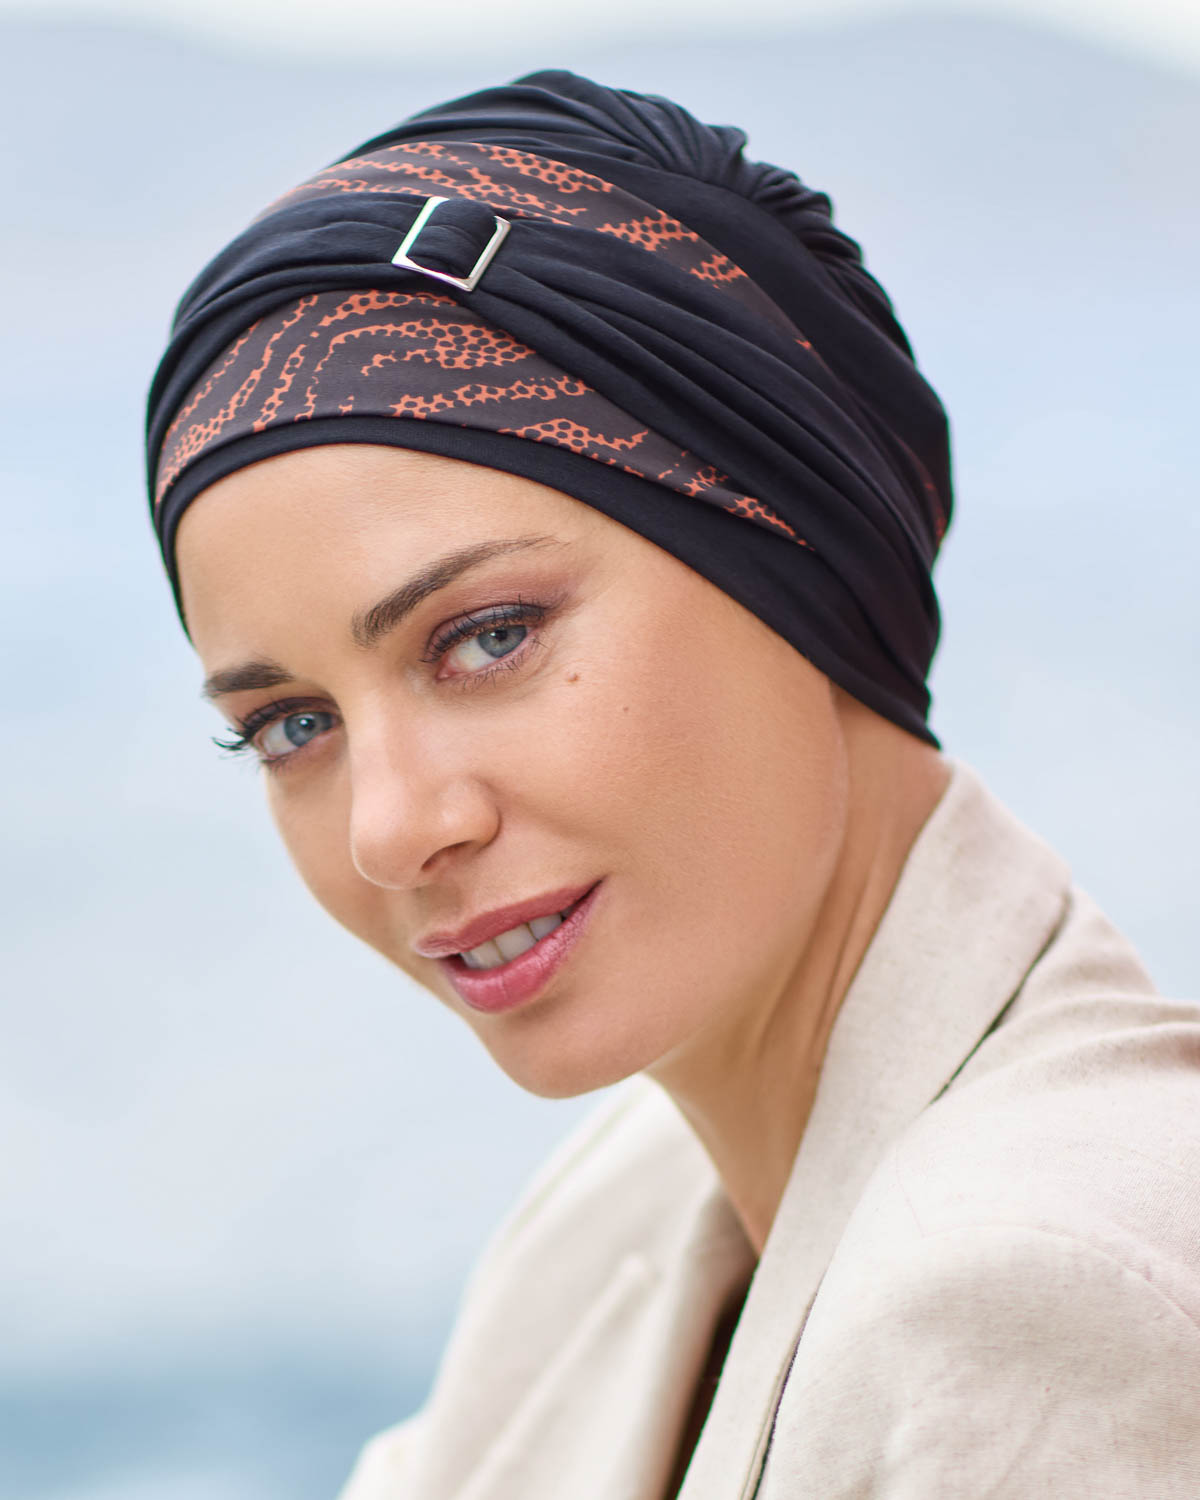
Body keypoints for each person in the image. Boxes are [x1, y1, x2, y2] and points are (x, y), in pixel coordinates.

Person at [144, 71, 1200, 1500]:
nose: (391, 829)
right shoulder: (628, 1208)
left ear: (794, 556)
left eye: (489, 637)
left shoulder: (1039, 1296)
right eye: (289, 725)